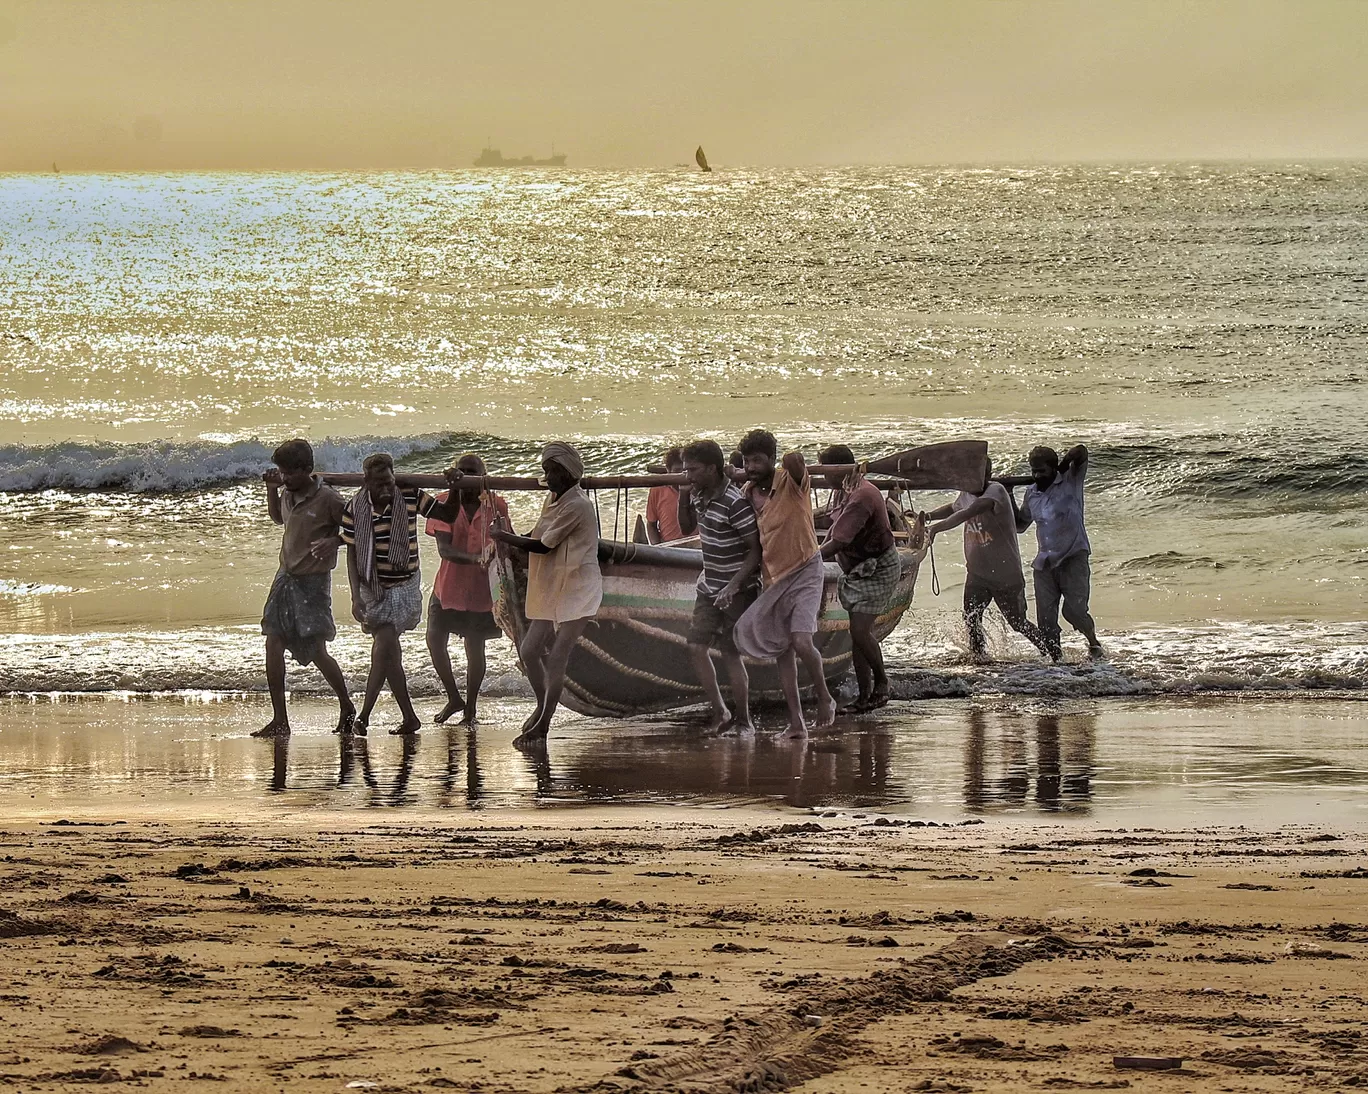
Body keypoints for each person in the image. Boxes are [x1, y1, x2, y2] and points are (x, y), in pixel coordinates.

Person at [341, 452, 465, 736]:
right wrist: (355, 596)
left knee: (383, 647)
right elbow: (351, 553)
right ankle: (409, 717)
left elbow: (447, 514)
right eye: (379, 485)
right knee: (389, 655)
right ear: (366, 483)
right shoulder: (354, 508)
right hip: (372, 587)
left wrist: (455, 489)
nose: (385, 489)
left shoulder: (408, 495)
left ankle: (365, 715)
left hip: (405, 584)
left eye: (389, 482)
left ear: (394, 477)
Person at [490, 442, 603, 748]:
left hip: (578, 586)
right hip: (553, 584)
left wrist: (503, 537)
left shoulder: (578, 504)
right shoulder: (554, 499)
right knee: (528, 650)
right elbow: (538, 536)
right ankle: (542, 706)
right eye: (546, 471)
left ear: (568, 472)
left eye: (553, 471)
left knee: (557, 656)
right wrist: (512, 537)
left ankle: (544, 725)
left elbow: (545, 545)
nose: (549, 477)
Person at [732, 429, 837, 736]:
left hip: (805, 568)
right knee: (783, 652)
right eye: (747, 461)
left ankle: (824, 697)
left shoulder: (792, 482)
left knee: (802, 641)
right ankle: (797, 723)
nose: (751, 466)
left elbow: (796, 462)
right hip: (773, 576)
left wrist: (789, 461)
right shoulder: (748, 493)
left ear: (771, 460)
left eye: (758, 460)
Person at [255, 439, 353, 739]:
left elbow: (358, 528)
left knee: (316, 651)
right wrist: (272, 491)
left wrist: (334, 541)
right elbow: (278, 519)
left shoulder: (329, 499)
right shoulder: (287, 493)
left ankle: (347, 705)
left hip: (313, 583)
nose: (283, 478)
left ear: (307, 470)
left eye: (288, 474)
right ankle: (280, 719)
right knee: (273, 643)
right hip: (285, 577)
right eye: (281, 473)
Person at [924, 458, 1053, 662]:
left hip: (1005, 574)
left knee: (1018, 623)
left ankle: (1052, 654)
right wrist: (927, 517)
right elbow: (954, 508)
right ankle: (979, 658)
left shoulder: (996, 491)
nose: (978, 481)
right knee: (971, 618)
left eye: (983, 475)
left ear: (988, 475)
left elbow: (969, 512)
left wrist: (936, 529)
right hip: (977, 573)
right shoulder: (967, 493)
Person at [675, 439, 762, 733]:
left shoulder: (735, 503)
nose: (688, 475)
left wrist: (733, 586)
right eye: (686, 470)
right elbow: (686, 527)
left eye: (693, 470)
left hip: (737, 590)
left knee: (730, 653)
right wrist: (683, 495)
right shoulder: (700, 493)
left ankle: (744, 720)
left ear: (712, 469)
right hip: (709, 586)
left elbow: (755, 551)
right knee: (696, 646)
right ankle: (721, 712)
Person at [424, 452, 509, 726]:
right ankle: (453, 697)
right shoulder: (442, 503)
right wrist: (477, 558)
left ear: (483, 475)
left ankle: (470, 708)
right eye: (461, 471)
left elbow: (505, 543)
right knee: (435, 639)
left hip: (481, 590)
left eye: (471, 472)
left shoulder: (495, 506)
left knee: (475, 648)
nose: (465, 477)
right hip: (448, 586)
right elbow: (445, 550)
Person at [816, 444, 899, 712]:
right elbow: (832, 529)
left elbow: (838, 540)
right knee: (857, 635)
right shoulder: (844, 490)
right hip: (857, 569)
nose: (822, 476)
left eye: (824, 469)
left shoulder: (861, 496)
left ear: (837, 469)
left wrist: (807, 561)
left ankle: (882, 684)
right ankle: (864, 698)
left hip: (878, 567)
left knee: (860, 631)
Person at [1013, 444, 1104, 661]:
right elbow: (1019, 526)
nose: (1036, 476)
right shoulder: (1031, 493)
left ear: (1053, 468)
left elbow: (1081, 451)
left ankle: (1093, 642)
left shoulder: (1071, 480)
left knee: (1073, 612)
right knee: (1046, 622)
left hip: (1074, 557)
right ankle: (1057, 665)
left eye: (1041, 471)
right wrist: (1007, 494)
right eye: (1033, 471)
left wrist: (1063, 467)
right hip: (1045, 564)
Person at [645, 447, 685, 543]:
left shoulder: (698, 487)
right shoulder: (657, 489)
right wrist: (657, 548)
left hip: (698, 546)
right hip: (669, 547)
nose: (682, 476)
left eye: (685, 471)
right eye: (677, 471)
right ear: (668, 470)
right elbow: (651, 524)